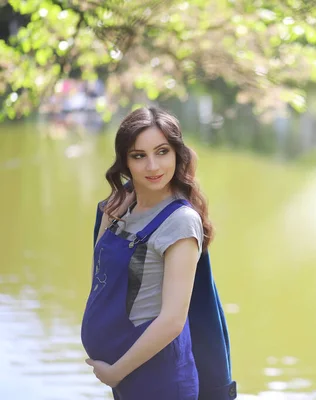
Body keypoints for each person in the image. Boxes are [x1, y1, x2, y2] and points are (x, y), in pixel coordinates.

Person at [81, 107, 236, 399]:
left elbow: (172, 321)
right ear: (125, 161)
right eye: (139, 156)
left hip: (158, 378)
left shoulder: (179, 221)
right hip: (126, 375)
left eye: (162, 151)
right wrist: (106, 220)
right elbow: (100, 283)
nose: (152, 166)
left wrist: (116, 372)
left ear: (177, 154)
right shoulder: (122, 209)